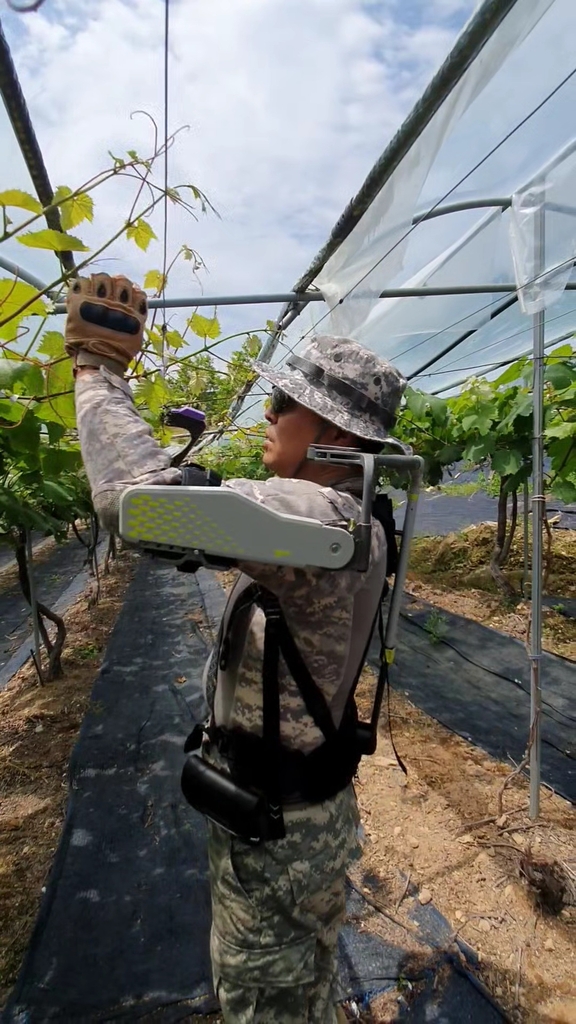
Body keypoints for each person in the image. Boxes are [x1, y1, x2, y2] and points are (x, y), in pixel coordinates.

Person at [66, 273, 407, 1024]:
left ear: (335, 434)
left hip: (278, 830)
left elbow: (135, 504)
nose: (268, 413)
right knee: (301, 989)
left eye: (282, 404)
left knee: (267, 1004)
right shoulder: (347, 515)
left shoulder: (318, 517)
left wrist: (97, 370)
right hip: (299, 815)